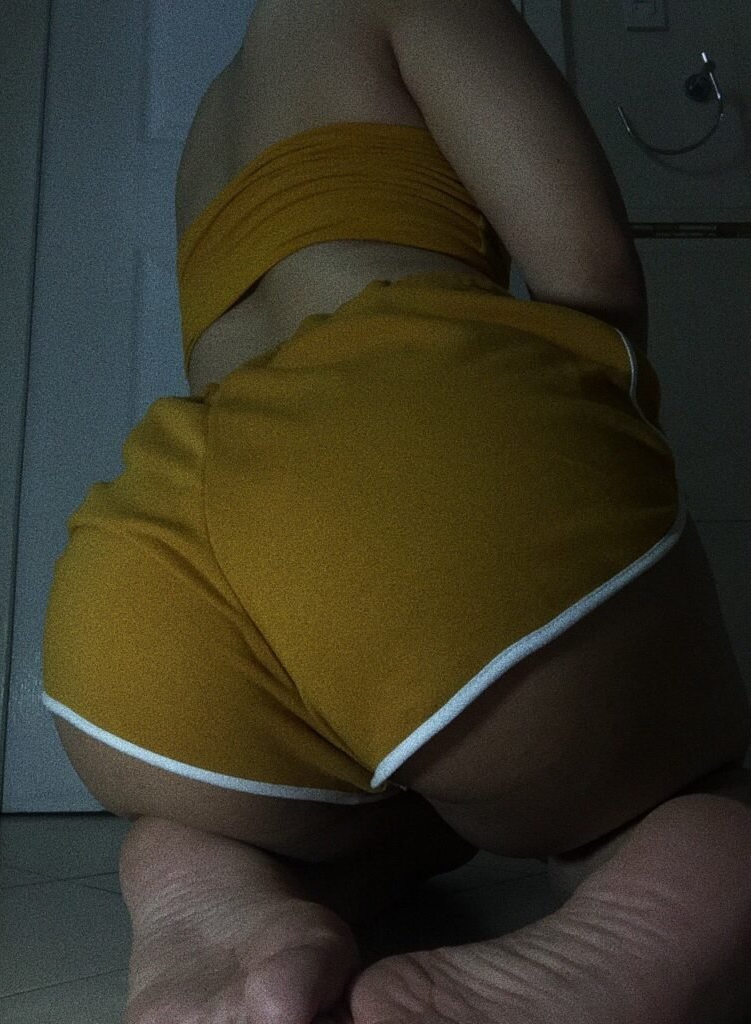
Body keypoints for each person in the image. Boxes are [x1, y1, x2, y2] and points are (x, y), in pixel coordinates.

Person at [41, 1, 751, 1021]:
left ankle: (216, 887)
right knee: (684, 790)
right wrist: (588, 470)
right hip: (416, 457)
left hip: (148, 572)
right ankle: (617, 942)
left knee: (347, 812)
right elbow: (589, 269)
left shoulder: (213, 115)